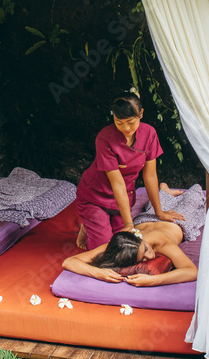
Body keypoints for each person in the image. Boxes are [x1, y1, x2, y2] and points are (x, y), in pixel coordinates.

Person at [75, 92, 184, 251]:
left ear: (141, 114)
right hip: (94, 197)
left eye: (130, 122)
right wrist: (129, 224)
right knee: (106, 249)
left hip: (122, 198)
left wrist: (159, 212)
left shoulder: (149, 134)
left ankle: (91, 225)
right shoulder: (104, 138)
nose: (125, 128)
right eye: (119, 122)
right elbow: (117, 183)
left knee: (125, 245)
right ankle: (89, 222)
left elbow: (150, 175)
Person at [62, 221, 197, 287]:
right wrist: (99, 273)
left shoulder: (162, 242)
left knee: (193, 196)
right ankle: (164, 189)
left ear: (139, 238)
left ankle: (164, 188)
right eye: (142, 259)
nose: (150, 257)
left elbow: (192, 271)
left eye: (146, 249)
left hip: (177, 221)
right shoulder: (121, 244)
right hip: (145, 219)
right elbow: (69, 261)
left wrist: (153, 280)